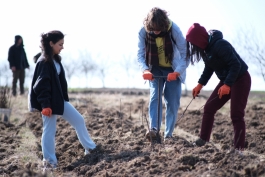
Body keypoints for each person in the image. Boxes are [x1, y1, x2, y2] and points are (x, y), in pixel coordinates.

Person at [28, 30, 96, 168]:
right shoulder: (44, 62)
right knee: (49, 130)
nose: (62, 47)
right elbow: (41, 86)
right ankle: (49, 163)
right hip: (48, 104)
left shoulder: (55, 59)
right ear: (51, 43)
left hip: (58, 101)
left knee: (79, 120)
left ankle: (91, 149)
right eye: (60, 44)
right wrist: (45, 105)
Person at [186, 23, 251, 150]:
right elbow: (209, 68)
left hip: (241, 78)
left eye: (194, 44)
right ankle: (203, 141)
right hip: (227, 80)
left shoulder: (220, 45)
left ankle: (239, 151)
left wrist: (227, 84)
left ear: (199, 40)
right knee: (209, 108)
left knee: (236, 115)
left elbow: (235, 65)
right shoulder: (206, 50)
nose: (193, 48)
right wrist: (200, 84)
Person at [137, 7, 188, 141]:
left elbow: (185, 55)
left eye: (159, 29)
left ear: (164, 24)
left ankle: (169, 135)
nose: (156, 32)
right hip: (155, 68)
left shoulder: (174, 30)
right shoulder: (143, 32)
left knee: (172, 102)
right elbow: (140, 54)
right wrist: (145, 69)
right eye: (153, 29)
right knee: (155, 96)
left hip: (173, 68)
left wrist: (177, 72)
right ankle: (154, 130)